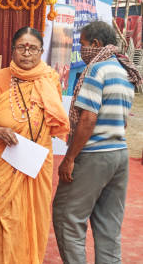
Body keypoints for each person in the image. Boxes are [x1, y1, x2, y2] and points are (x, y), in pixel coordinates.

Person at [0, 27, 70, 263]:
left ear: (41, 52)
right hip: (2, 161)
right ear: (12, 50)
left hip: (35, 162)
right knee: (3, 218)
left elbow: (55, 119)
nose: (26, 53)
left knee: (30, 218)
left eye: (32, 48)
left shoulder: (50, 79)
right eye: (21, 47)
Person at [53, 21, 142, 263]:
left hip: (95, 154)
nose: (81, 50)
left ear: (95, 44)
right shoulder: (125, 72)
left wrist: (69, 158)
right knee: (108, 227)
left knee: (67, 217)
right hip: (120, 155)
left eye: (82, 44)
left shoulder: (97, 70)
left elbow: (88, 119)